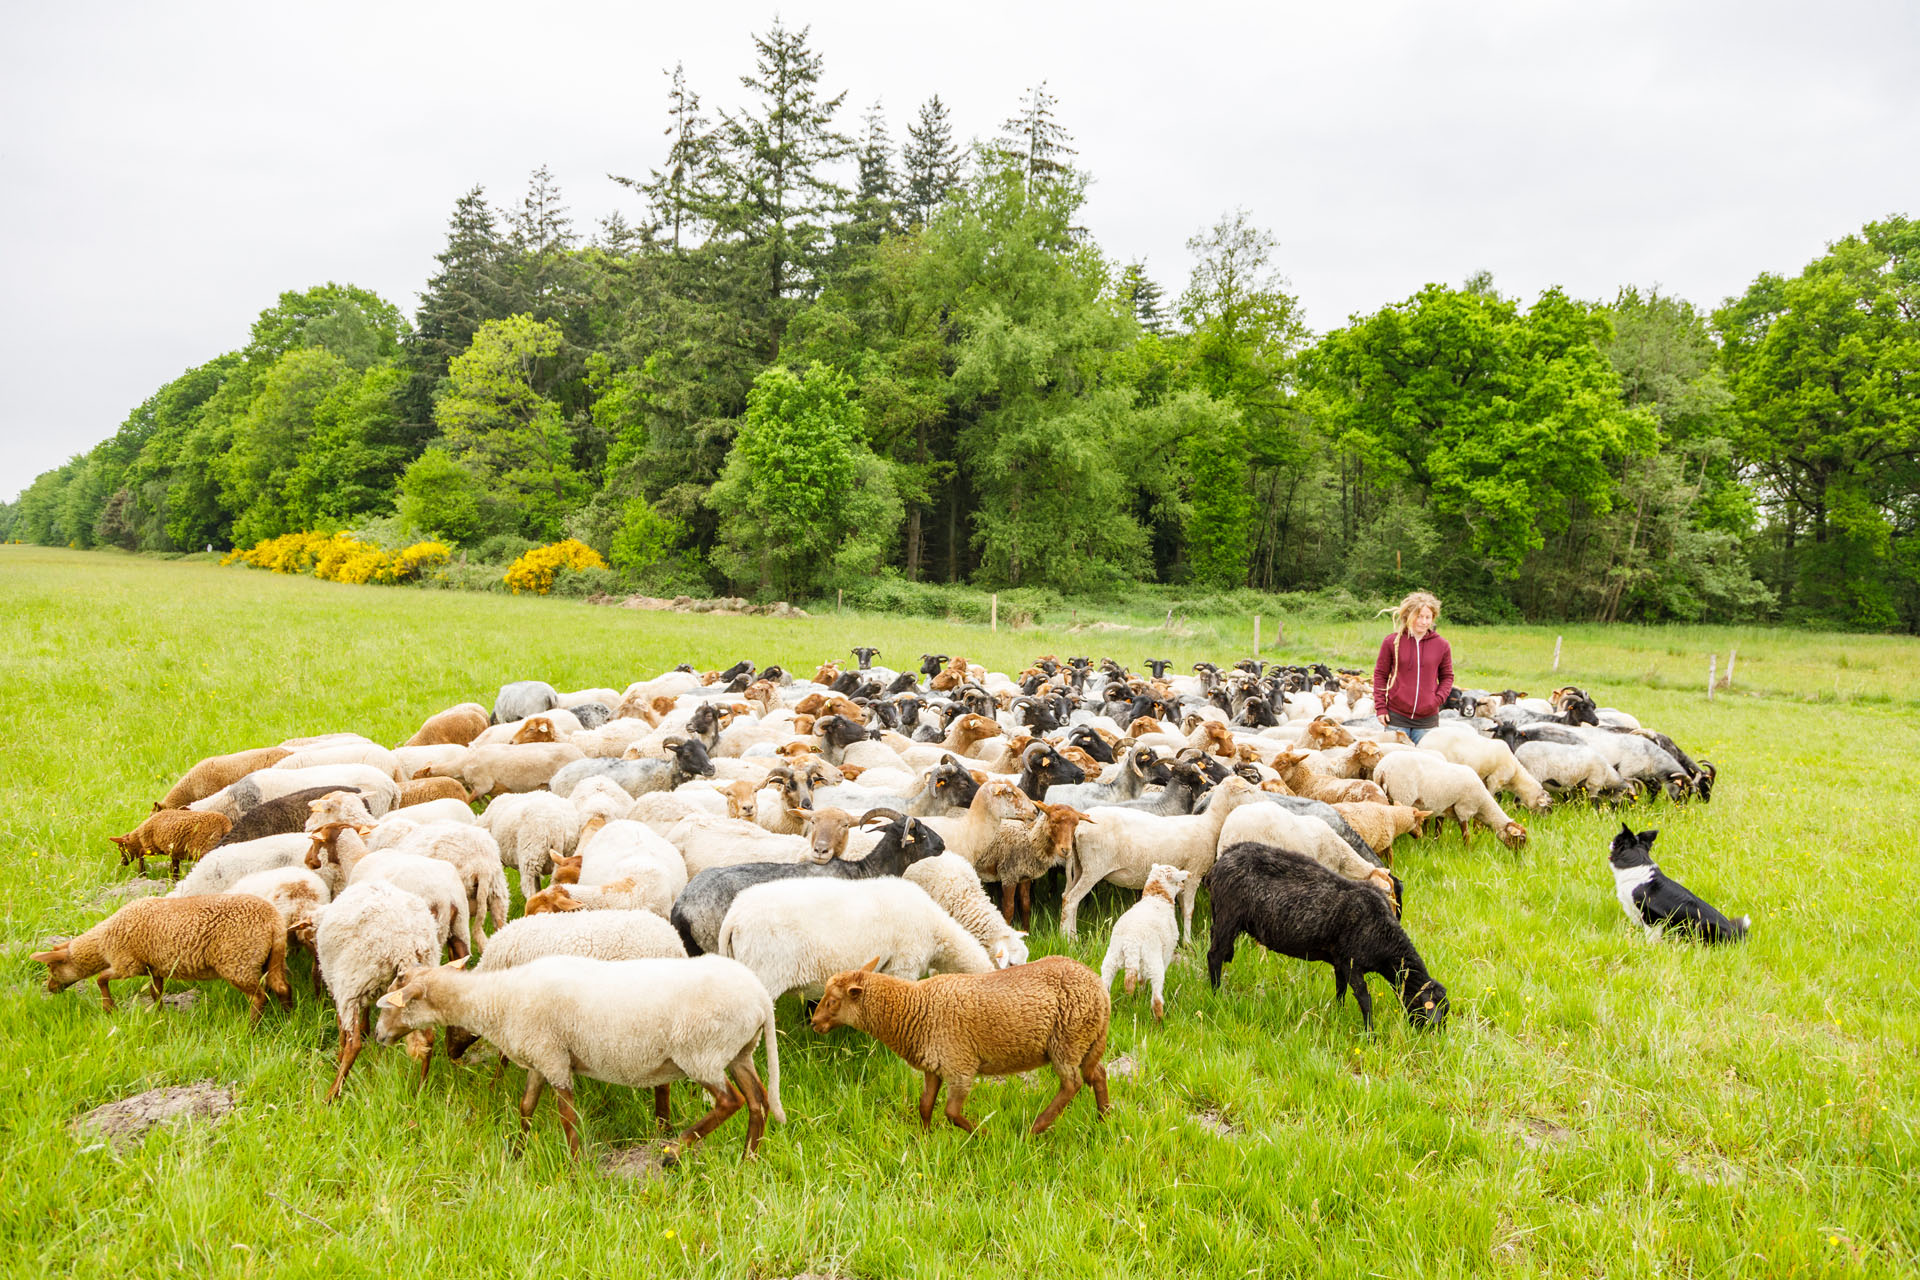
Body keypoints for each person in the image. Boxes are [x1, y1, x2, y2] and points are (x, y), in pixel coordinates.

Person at [1372, 591, 1452, 744]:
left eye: (1428, 617)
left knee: (1424, 764)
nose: (1423, 622)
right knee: (1395, 764)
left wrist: (1437, 700)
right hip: (1396, 718)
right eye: (1419, 616)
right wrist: (1380, 708)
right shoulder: (1392, 642)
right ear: (1408, 616)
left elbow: (1447, 676)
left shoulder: (1442, 645)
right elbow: (1380, 675)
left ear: (1433, 618)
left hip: (1427, 722)